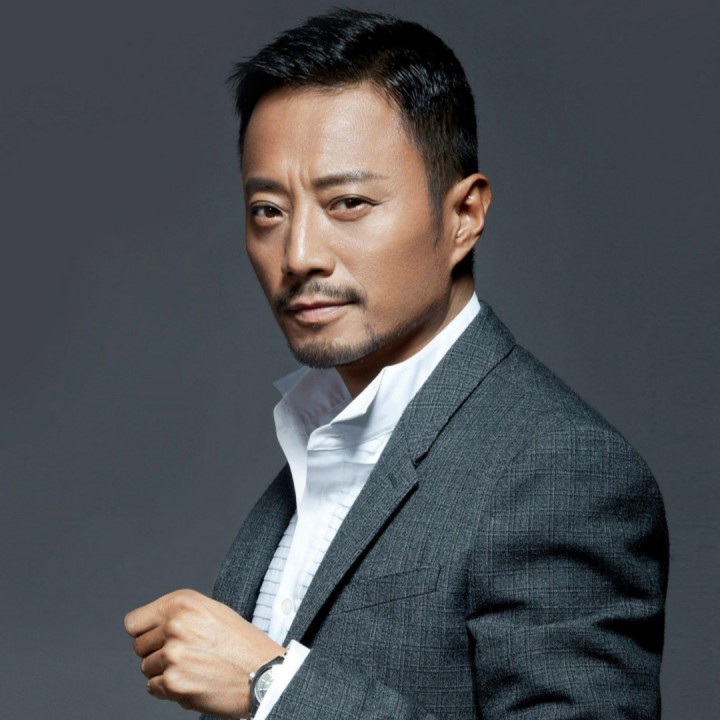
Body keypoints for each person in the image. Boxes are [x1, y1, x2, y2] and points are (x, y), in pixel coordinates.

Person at [124, 9, 669, 719]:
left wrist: (270, 687)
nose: (299, 255)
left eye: (348, 203)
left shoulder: (561, 470)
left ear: (464, 215)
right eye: (268, 211)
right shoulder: (319, 441)